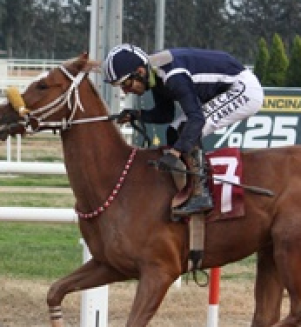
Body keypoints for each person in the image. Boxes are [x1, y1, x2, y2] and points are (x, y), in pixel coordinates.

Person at [102, 44, 264, 218]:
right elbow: (165, 114)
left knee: (185, 129)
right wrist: (136, 115)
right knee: (173, 132)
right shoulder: (154, 74)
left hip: (243, 89)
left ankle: (201, 194)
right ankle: (188, 188)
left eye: (126, 84)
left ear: (140, 71)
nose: (126, 91)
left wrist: (175, 153)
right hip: (227, 85)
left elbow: (197, 120)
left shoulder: (172, 77)